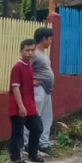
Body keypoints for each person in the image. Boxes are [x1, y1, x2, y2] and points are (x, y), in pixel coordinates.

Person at [9, 38, 44, 163]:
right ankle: (16, 158)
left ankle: (32, 155)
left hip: (30, 105)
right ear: (21, 51)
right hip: (19, 106)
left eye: (32, 50)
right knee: (18, 133)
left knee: (37, 128)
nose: (30, 53)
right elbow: (15, 87)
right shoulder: (17, 67)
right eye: (27, 50)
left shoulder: (28, 66)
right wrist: (21, 106)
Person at [27, 26, 56, 154]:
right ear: (44, 38)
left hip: (46, 90)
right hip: (37, 89)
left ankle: (43, 143)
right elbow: (26, 69)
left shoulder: (42, 54)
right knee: (33, 117)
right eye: (50, 39)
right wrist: (30, 81)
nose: (51, 41)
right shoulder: (34, 54)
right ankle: (28, 143)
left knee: (46, 117)